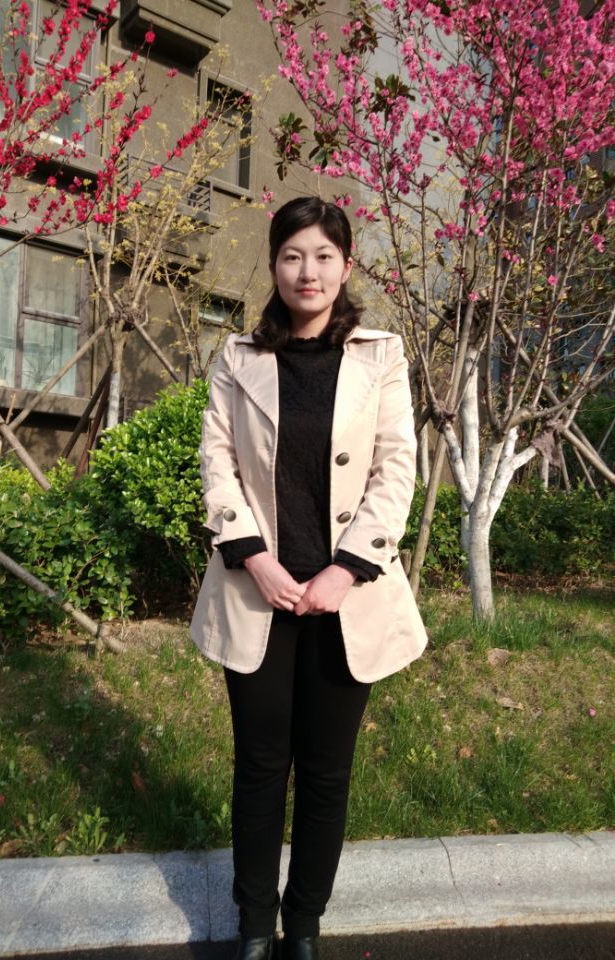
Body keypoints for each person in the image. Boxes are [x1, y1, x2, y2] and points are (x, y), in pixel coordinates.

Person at [190, 196, 428, 960]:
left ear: (346, 265)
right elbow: (216, 462)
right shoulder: (239, 358)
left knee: (327, 772)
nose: (308, 271)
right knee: (260, 766)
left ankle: (304, 924)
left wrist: (347, 569)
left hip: (342, 598)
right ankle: (255, 923)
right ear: (273, 265)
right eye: (293, 255)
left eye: (324, 255)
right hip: (256, 591)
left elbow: (396, 468)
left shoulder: (380, 357)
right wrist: (254, 556)